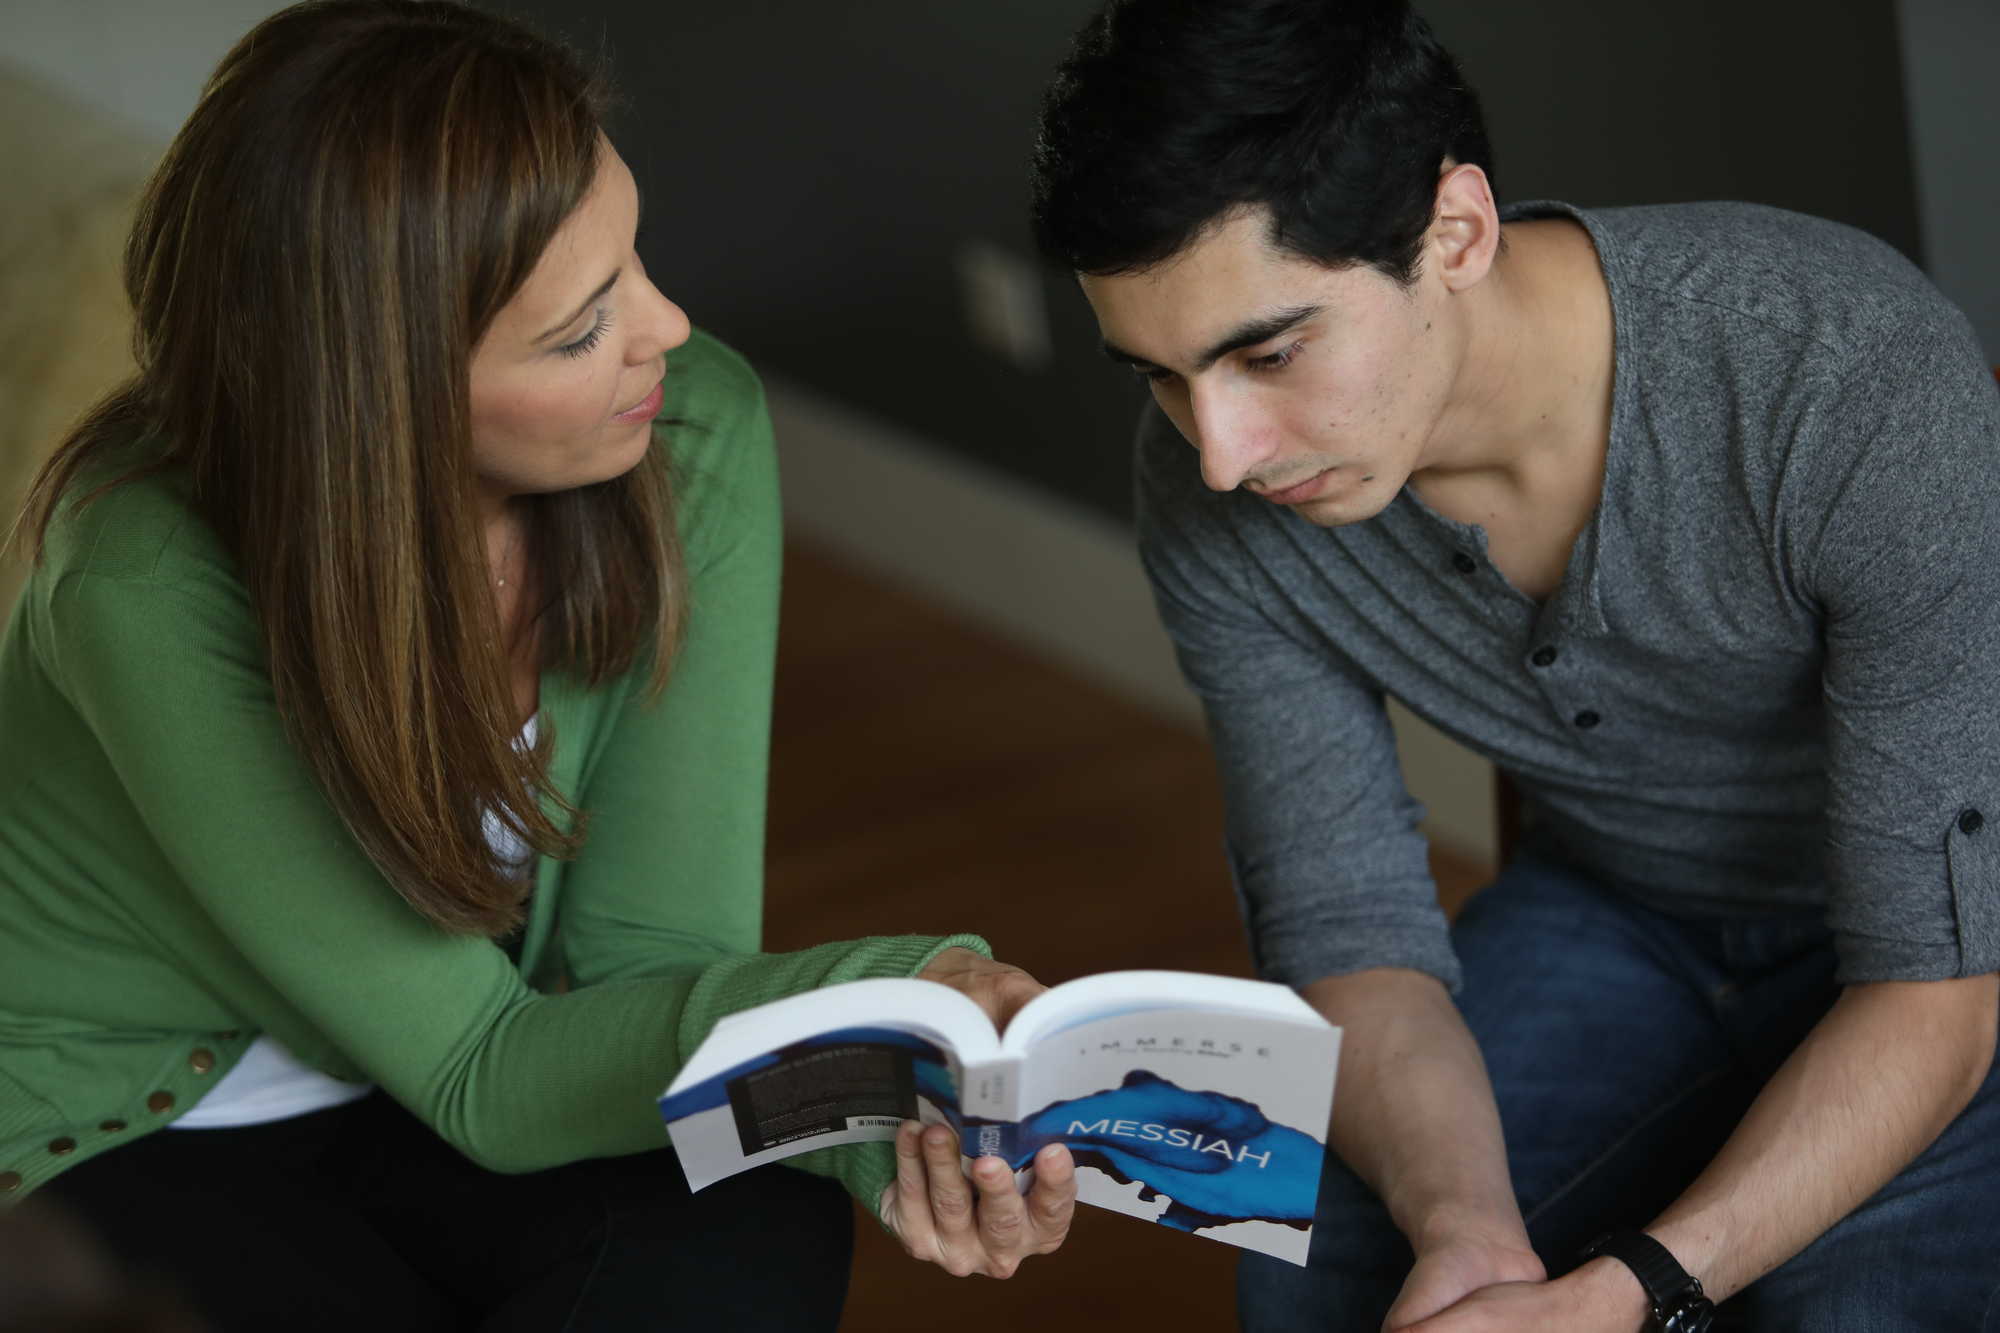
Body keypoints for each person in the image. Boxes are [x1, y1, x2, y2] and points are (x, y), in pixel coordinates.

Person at [0, 3, 1073, 1328]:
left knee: (754, 1209)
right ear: (377, 397)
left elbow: (652, 959)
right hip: (143, 1115)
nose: (667, 327)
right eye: (579, 330)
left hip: (472, 1058)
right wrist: (881, 993)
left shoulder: (692, 432)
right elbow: (483, 1072)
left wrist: (887, 1106)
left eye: (634, 259)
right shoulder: (147, 581)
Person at [1029, 1, 2000, 1329]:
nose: (1222, 452)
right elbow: (1347, 926)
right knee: (1331, 1280)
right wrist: (1467, 1232)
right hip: (1624, 906)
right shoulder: (1209, 498)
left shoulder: (1843, 381)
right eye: (1161, 375)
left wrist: (1634, 1287)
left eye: (1270, 351)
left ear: (1458, 232)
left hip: (1952, 964)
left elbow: (1934, 994)